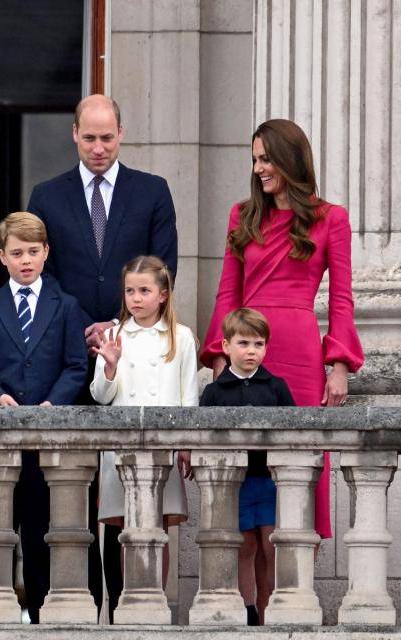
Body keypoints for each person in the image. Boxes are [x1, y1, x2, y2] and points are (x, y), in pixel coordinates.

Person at [26, 93, 178, 618]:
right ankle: (75, 604)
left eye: (107, 137)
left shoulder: (152, 191)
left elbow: (163, 268)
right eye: (89, 138)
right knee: (67, 486)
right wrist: (80, 328)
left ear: (122, 133)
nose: (98, 147)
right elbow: (38, 277)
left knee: (126, 491)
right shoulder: (46, 195)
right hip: (65, 359)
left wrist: (117, 322)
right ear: (73, 134)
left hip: (133, 355)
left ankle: (126, 607)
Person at [200, 119, 364, 548]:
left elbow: (343, 299)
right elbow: (227, 291)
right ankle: (252, 607)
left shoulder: (333, 219)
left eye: (266, 158)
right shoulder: (243, 215)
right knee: (243, 468)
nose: (258, 169)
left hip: (300, 353)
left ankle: (297, 595)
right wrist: (220, 358)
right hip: (247, 349)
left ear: (290, 160)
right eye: (254, 160)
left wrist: (340, 365)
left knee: (300, 466)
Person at [0, 212, 89, 623]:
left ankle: (40, 615)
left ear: (46, 252)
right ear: (3, 256)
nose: (26, 260)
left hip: (45, 441)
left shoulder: (66, 306)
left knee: (39, 531)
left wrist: (54, 404)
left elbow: (75, 365)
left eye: (33, 251)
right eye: (17, 253)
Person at [90, 255, 197, 587]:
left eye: (144, 291)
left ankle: (157, 602)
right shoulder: (115, 335)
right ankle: (129, 600)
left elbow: (188, 397)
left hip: (162, 447)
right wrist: (109, 366)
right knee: (127, 529)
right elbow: (100, 395)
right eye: (129, 291)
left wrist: (186, 445)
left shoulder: (180, 337)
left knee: (158, 529)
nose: (135, 298)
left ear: (163, 294)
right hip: (121, 448)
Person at [200, 308, 295, 626]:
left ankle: (272, 611)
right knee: (244, 548)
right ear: (226, 346)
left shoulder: (276, 387)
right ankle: (249, 611)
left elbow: (294, 431)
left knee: (271, 547)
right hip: (234, 485)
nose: (251, 351)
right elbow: (205, 438)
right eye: (243, 343)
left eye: (258, 344)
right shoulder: (214, 392)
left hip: (268, 482)